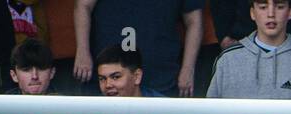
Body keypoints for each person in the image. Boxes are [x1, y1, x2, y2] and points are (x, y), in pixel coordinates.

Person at [72, 0, 204, 96]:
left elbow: (194, 21)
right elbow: (82, 5)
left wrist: (188, 69)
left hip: (160, 76)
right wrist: (82, 51)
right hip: (105, 79)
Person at [207, 0, 291, 100]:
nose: (271, 13)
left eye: (279, 6)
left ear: (290, 12)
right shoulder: (227, 60)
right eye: (263, 7)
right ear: (252, 13)